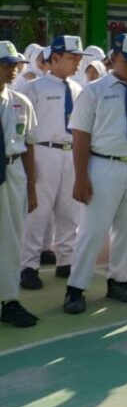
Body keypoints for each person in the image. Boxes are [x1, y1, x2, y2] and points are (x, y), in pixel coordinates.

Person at [64, 33, 127, 314]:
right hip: (103, 164)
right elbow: (80, 136)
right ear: (114, 57)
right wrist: (81, 176)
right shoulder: (94, 91)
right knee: (92, 229)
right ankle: (76, 287)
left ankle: (119, 280)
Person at [19, 35, 84, 292]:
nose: (76, 63)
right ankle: (29, 265)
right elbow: (25, 130)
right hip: (43, 151)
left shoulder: (78, 89)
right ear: (54, 58)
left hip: (70, 153)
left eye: (78, 58)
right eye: (71, 57)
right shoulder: (33, 88)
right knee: (38, 212)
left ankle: (66, 260)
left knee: (70, 211)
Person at [0, 42, 40, 327]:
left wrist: (32, 186)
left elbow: (29, 146)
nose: (13, 69)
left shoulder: (20, 101)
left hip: (12, 172)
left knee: (12, 239)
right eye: (6, 64)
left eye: (15, 63)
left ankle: (9, 300)